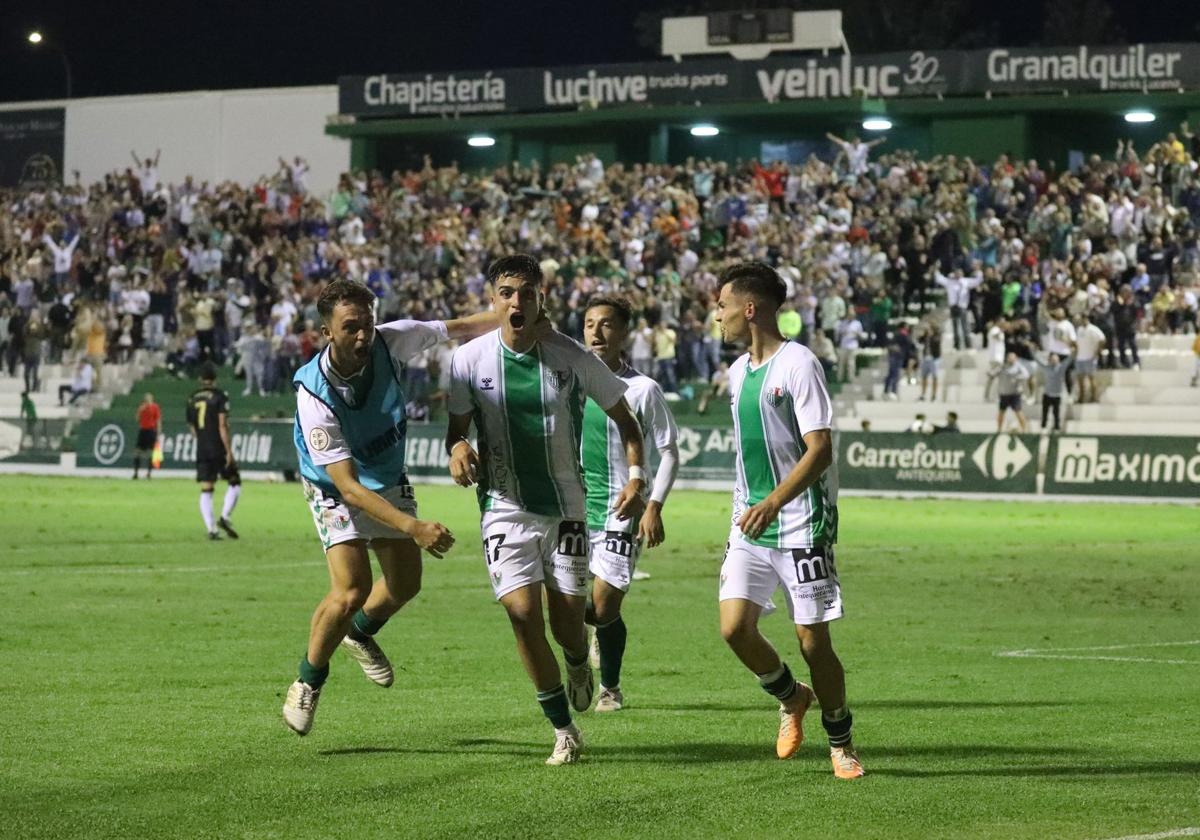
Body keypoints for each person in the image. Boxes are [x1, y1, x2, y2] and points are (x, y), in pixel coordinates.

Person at [446, 255, 646, 766]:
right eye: (507, 292)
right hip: (503, 508)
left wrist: (638, 476)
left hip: (566, 512)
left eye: (527, 293)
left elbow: (626, 421)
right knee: (521, 615)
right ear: (493, 299)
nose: (517, 301)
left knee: (564, 625)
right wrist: (457, 448)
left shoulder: (572, 357)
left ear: (541, 299)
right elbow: (457, 429)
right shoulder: (467, 361)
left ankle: (578, 660)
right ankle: (563, 728)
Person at [282, 279, 496, 737]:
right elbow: (348, 487)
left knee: (405, 583)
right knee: (351, 588)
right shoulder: (313, 393)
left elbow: (457, 327)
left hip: (385, 472)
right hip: (334, 487)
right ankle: (308, 680)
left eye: (368, 324)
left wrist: (518, 317)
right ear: (327, 333)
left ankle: (358, 634)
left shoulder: (391, 340)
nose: (363, 336)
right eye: (351, 327)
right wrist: (414, 527)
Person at [712, 261, 864, 780]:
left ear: (749, 309)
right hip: (750, 521)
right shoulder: (736, 372)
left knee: (812, 641)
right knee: (734, 629)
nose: (718, 316)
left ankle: (840, 741)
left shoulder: (799, 364)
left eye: (723, 305)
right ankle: (791, 695)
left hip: (800, 521)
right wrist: (751, 506)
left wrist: (774, 502)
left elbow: (819, 450)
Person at [580, 296, 680, 712]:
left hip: (624, 511)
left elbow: (670, 451)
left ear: (623, 334)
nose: (596, 333)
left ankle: (610, 689)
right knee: (573, 604)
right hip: (575, 508)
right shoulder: (570, 381)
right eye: (588, 324)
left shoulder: (643, 390)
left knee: (602, 607)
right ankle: (592, 646)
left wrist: (653, 504)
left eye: (606, 325)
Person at [186, 363, 241, 540]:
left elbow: (192, 428)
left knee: (206, 488)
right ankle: (224, 517)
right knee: (234, 481)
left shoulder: (192, 398)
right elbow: (222, 425)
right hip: (218, 446)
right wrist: (229, 451)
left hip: (202, 446)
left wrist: (203, 440)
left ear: (201, 380)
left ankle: (212, 530)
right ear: (214, 380)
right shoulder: (219, 396)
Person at [988, 352, 1031, 433]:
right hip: (1004, 394)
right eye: (1009, 357)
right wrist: (990, 374)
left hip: (1014, 394)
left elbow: (1026, 375)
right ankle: (999, 429)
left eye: (1013, 357)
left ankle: (1024, 430)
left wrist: (1017, 378)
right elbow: (993, 373)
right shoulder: (1002, 367)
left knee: (1018, 412)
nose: (1011, 359)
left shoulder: (1019, 367)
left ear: (1016, 358)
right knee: (1001, 412)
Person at [1073, 316, 1106, 404]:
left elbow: (1102, 339)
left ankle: (1094, 397)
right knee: (1080, 379)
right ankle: (1081, 397)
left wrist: (1097, 352)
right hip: (1080, 358)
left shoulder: (1093, 329)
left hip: (1090, 358)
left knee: (1092, 379)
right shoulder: (1079, 329)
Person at [1036, 352, 1070, 433]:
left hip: (1057, 395)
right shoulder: (1046, 368)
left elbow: (1069, 360)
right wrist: (1032, 351)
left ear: (1058, 360)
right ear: (1050, 360)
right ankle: (1043, 427)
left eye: (1055, 359)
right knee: (1045, 413)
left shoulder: (1061, 367)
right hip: (1047, 394)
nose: (1054, 361)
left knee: (1056, 413)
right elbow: (1037, 360)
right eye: (1052, 359)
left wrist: (1074, 351)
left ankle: (1057, 428)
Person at [132, 393, 162, 479]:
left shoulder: (155, 407)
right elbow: (137, 419)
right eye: (146, 399)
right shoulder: (141, 407)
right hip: (143, 430)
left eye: (149, 399)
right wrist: (140, 411)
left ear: (152, 399)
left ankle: (149, 473)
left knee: (150, 452)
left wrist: (158, 432)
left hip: (151, 431)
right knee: (137, 451)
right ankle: (136, 472)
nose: (147, 400)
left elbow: (158, 420)